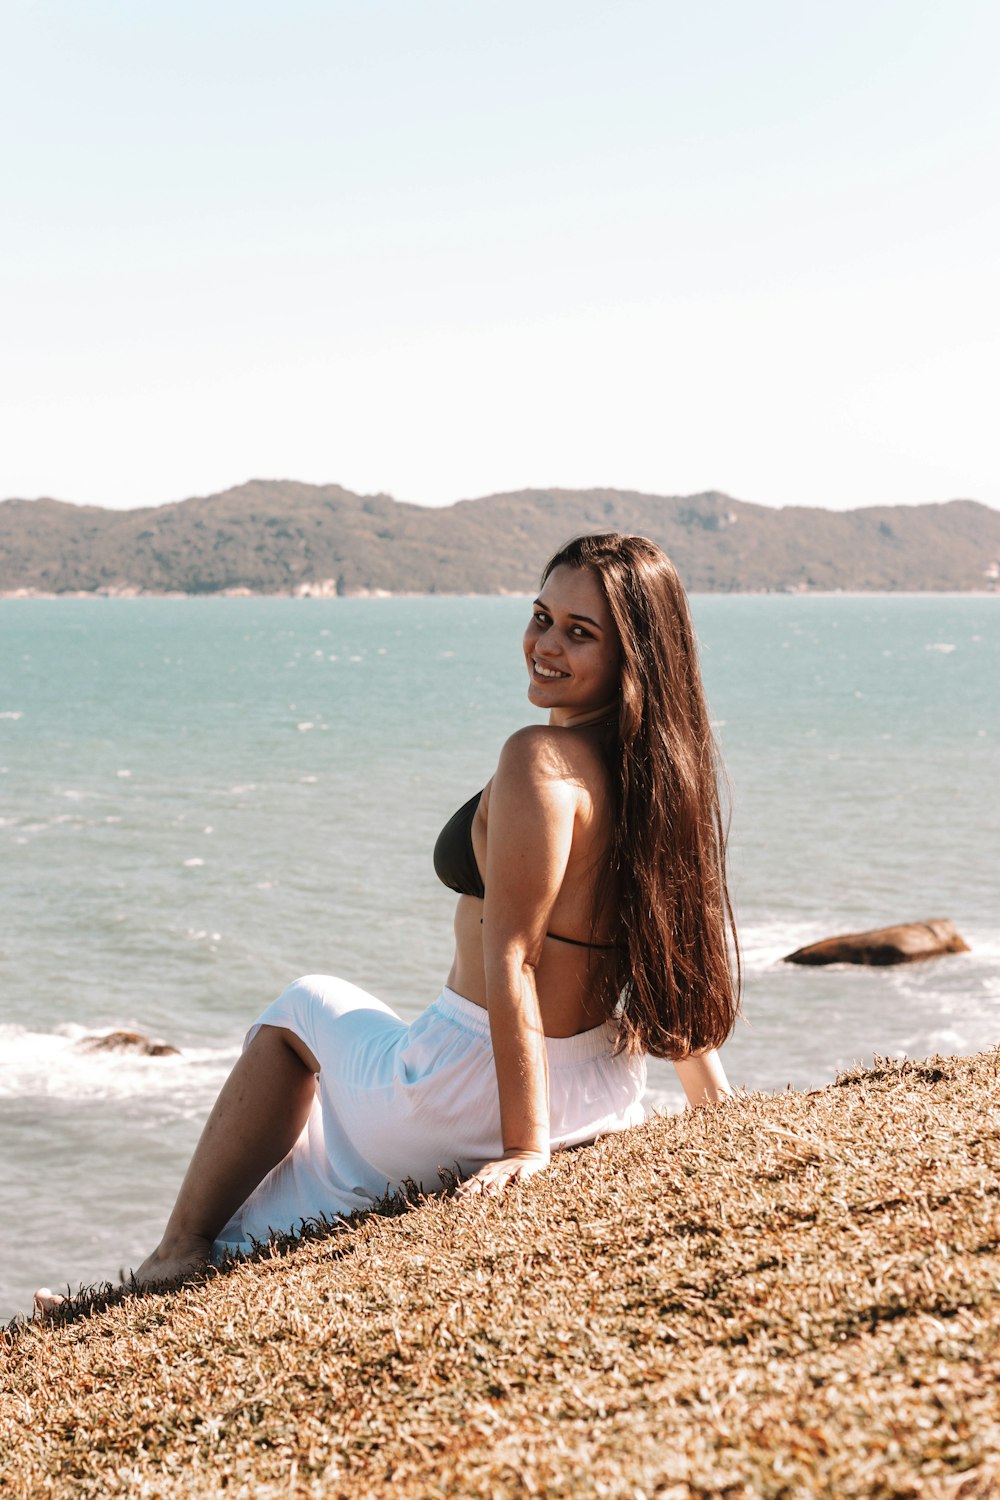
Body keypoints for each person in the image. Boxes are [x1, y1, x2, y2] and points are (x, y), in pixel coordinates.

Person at [36, 532, 739, 1311]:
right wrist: (714, 1107)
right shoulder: (664, 776)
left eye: (580, 633)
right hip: (606, 1088)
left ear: (636, 654)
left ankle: (174, 1254)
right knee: (312, 1147)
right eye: (542, 617)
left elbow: (513, 957)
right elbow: (671, 947)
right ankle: (176, 1275)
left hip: (475, 1088)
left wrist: (524, 1148)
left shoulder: (539, 760)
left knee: (300, 1007)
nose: (544, 646)